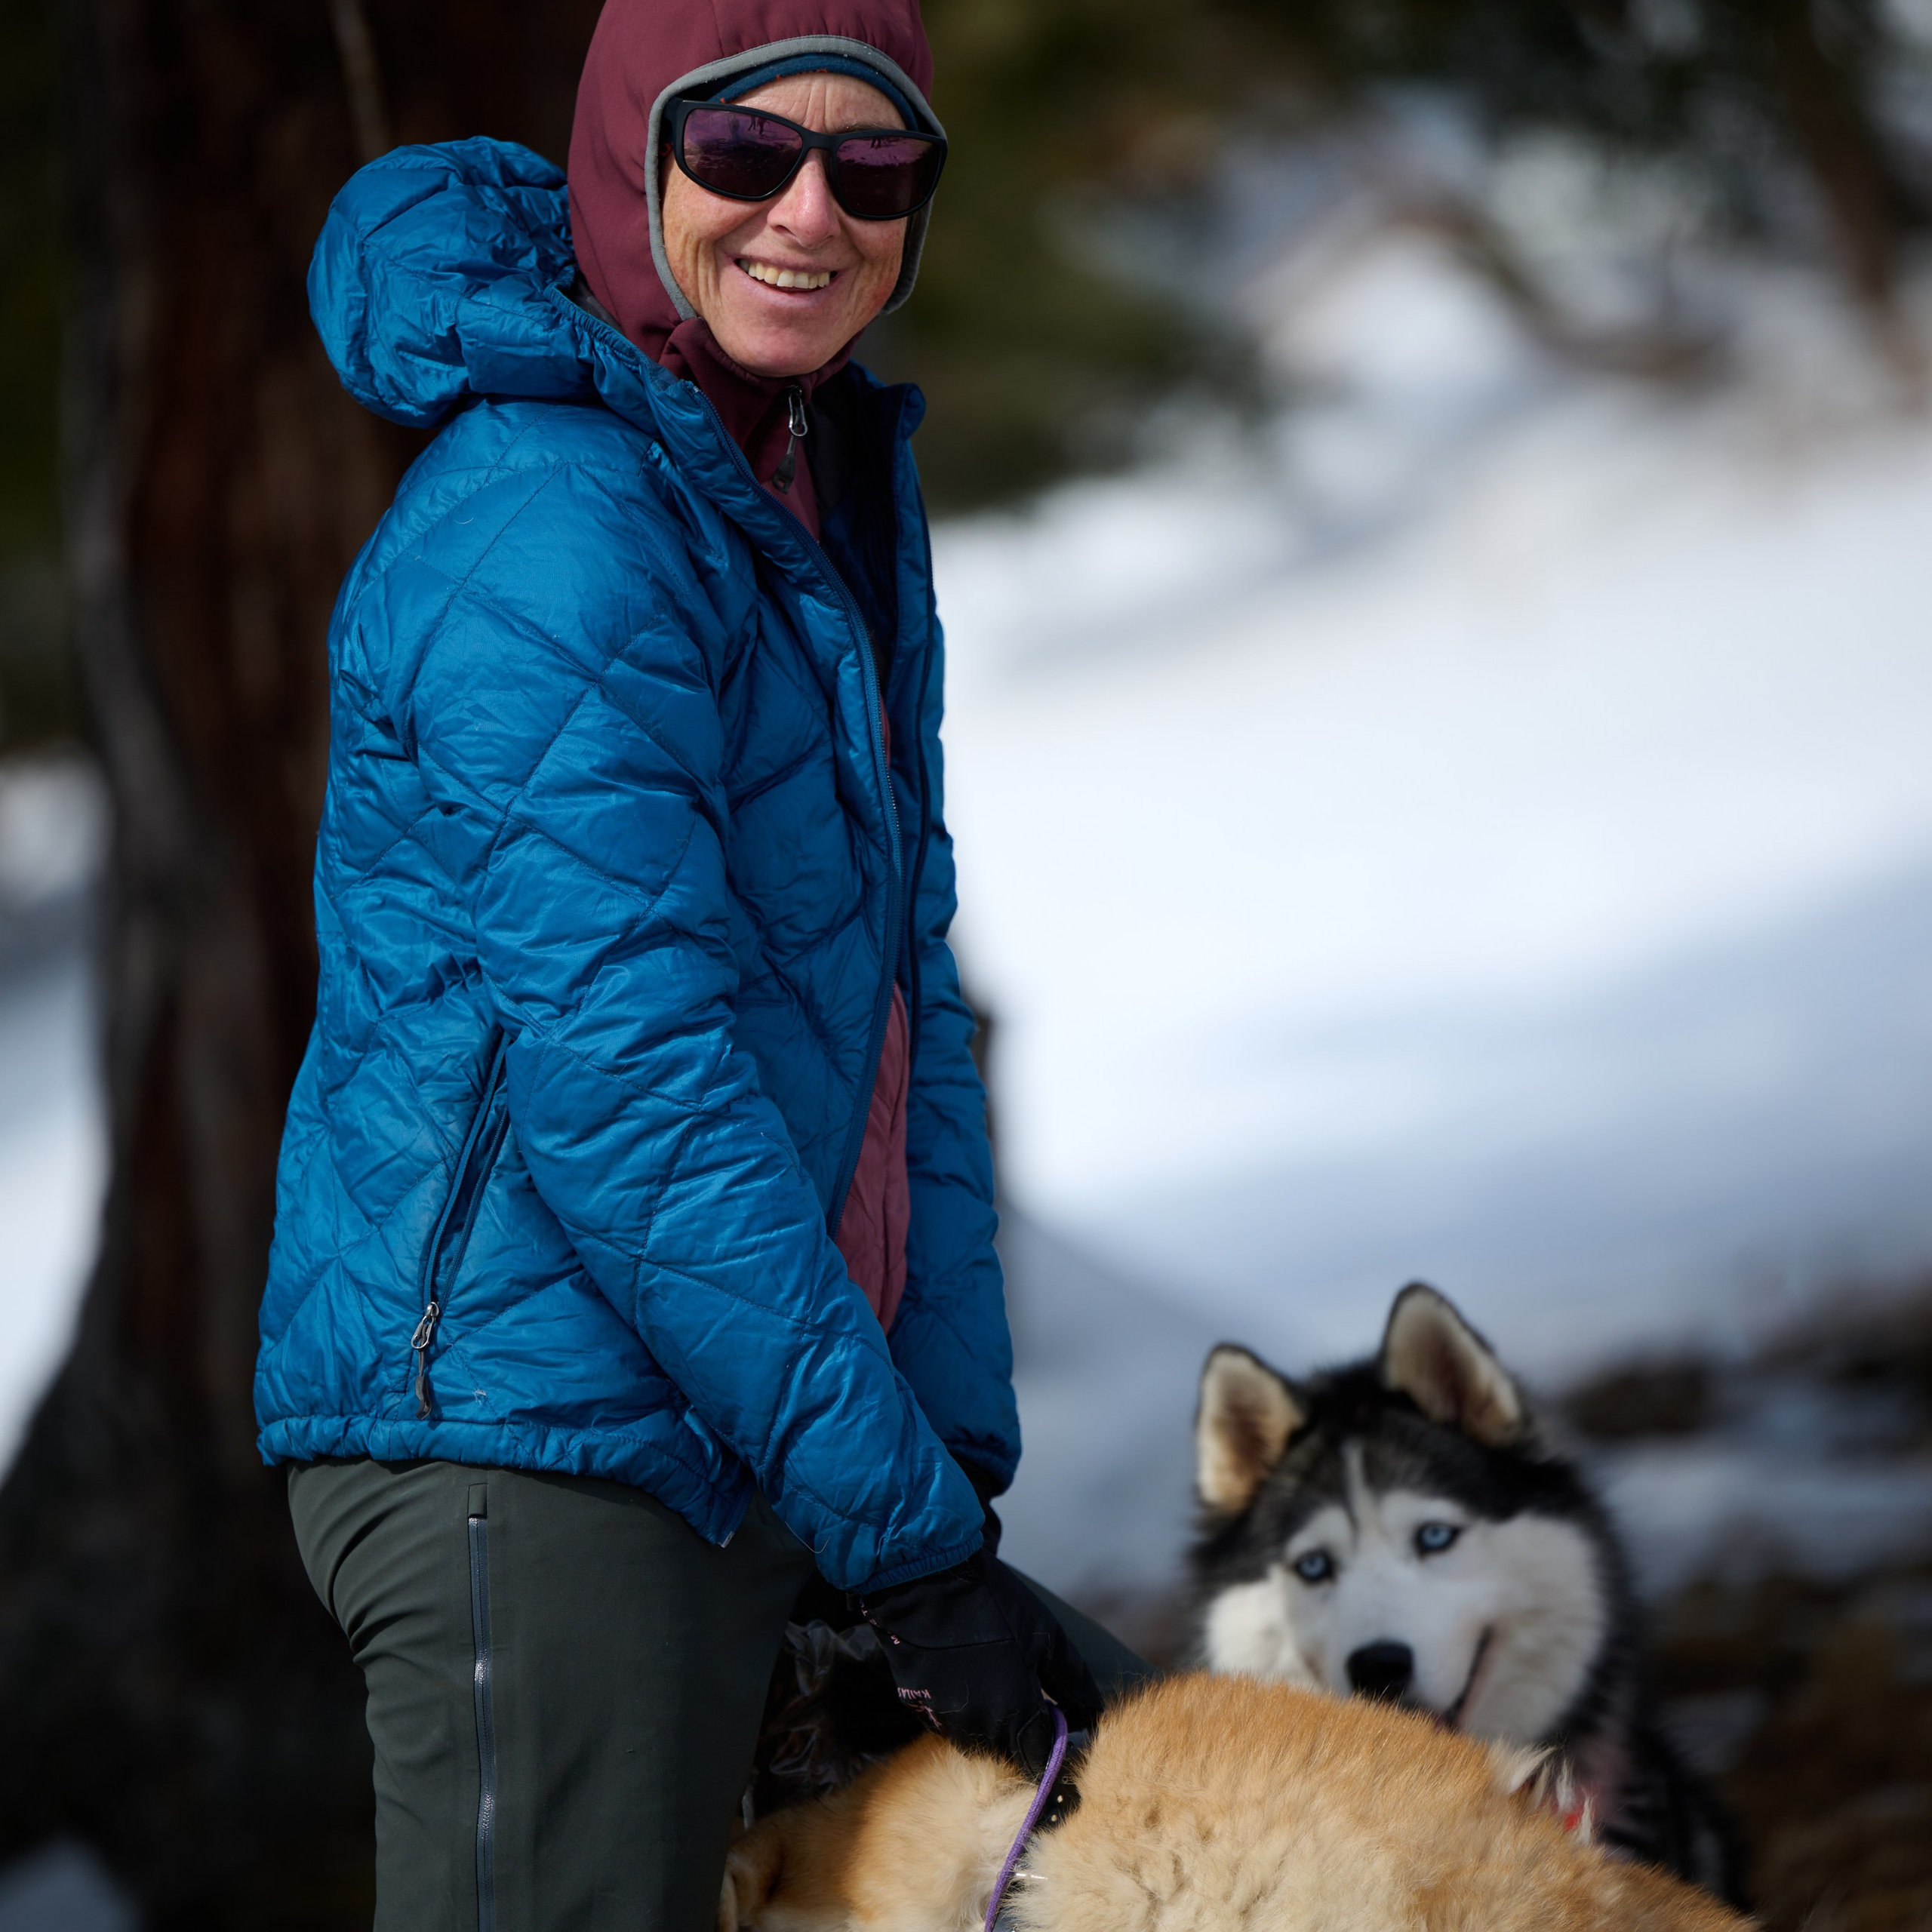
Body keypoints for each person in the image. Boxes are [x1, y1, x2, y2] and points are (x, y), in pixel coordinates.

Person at [254, 2, 1149, 1925]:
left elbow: (896, 1000)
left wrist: (932, 1469)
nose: (808, 212)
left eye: (870, 164)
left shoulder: (797, 480)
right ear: (629, 159)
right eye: (744, 153)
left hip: (750, 1422)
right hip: (538, 1442)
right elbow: (631, 1084)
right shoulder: (554, 515)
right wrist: (907, 1534)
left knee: (1186, 1817)